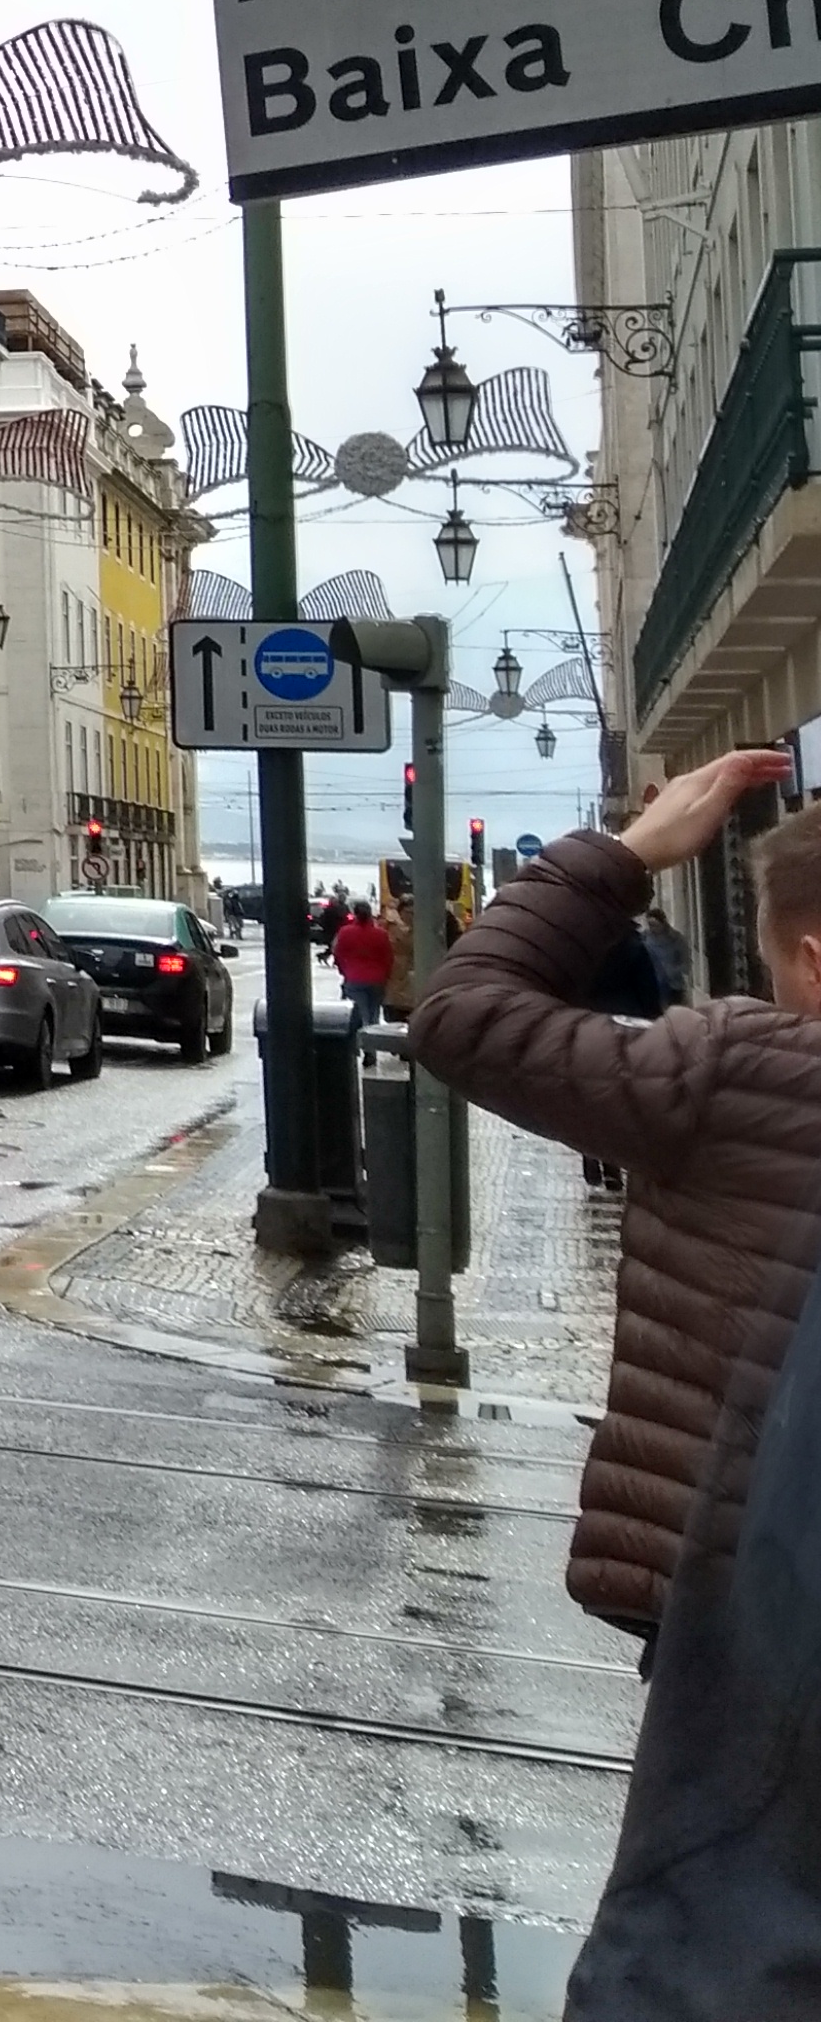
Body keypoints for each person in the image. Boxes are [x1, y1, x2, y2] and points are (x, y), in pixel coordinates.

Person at [406, 746, 821, 2009]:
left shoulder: (745, 1073)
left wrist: (623, 857)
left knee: (715, 1920)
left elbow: (463, 1014)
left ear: (810, 962)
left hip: (741, 1615)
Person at [330, 897, 395, 1023]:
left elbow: (338, 954)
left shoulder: (345, 932)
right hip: (377, 979)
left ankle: (362, 1032)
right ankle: (371, 1032)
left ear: (355, 914)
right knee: (374, 1013)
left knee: (360, 1013)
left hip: (354, 978)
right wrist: (386, 975)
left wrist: (344, 971)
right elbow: (388, 957)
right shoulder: (381, 934)